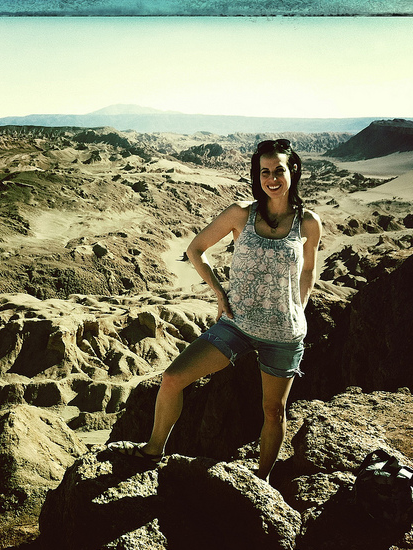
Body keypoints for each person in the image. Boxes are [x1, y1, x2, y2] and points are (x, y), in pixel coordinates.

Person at [109, 139, 322, 482]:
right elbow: (195, 249)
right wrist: (220, 293)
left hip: (283, 334)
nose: (272, 178)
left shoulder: (308, 222)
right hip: (236, 324)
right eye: (264, 172)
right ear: (257, 175)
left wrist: (300, 306)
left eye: (278, 170)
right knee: (172, 378)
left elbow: (309, 269)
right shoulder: (241, 214)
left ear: (292, 171)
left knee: (273, 411)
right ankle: (153, 449)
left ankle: (262, 480)